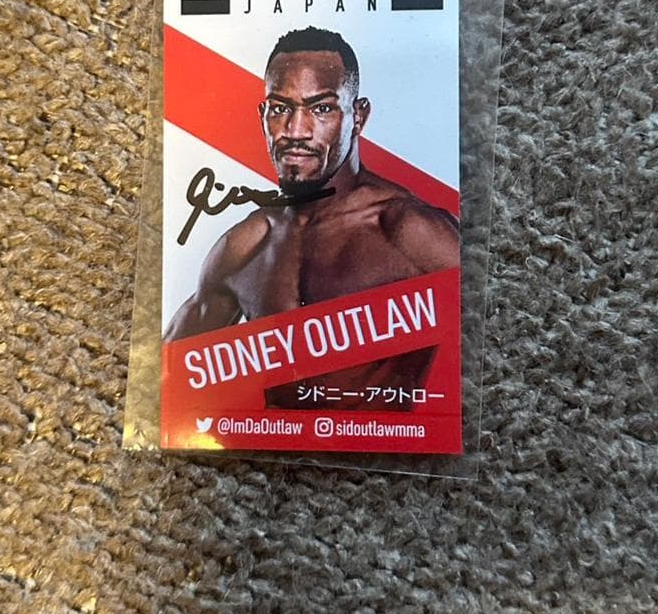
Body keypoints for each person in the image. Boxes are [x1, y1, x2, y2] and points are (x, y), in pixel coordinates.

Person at [163, 27, 459, 410]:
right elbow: (166, 378)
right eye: (280, 109)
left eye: (321, 109)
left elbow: (503, 344)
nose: (295, 131)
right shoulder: (247, 245)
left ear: (358, 116)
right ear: (263, 115)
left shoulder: (407, 230)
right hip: (269, 449)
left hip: (379, 449)